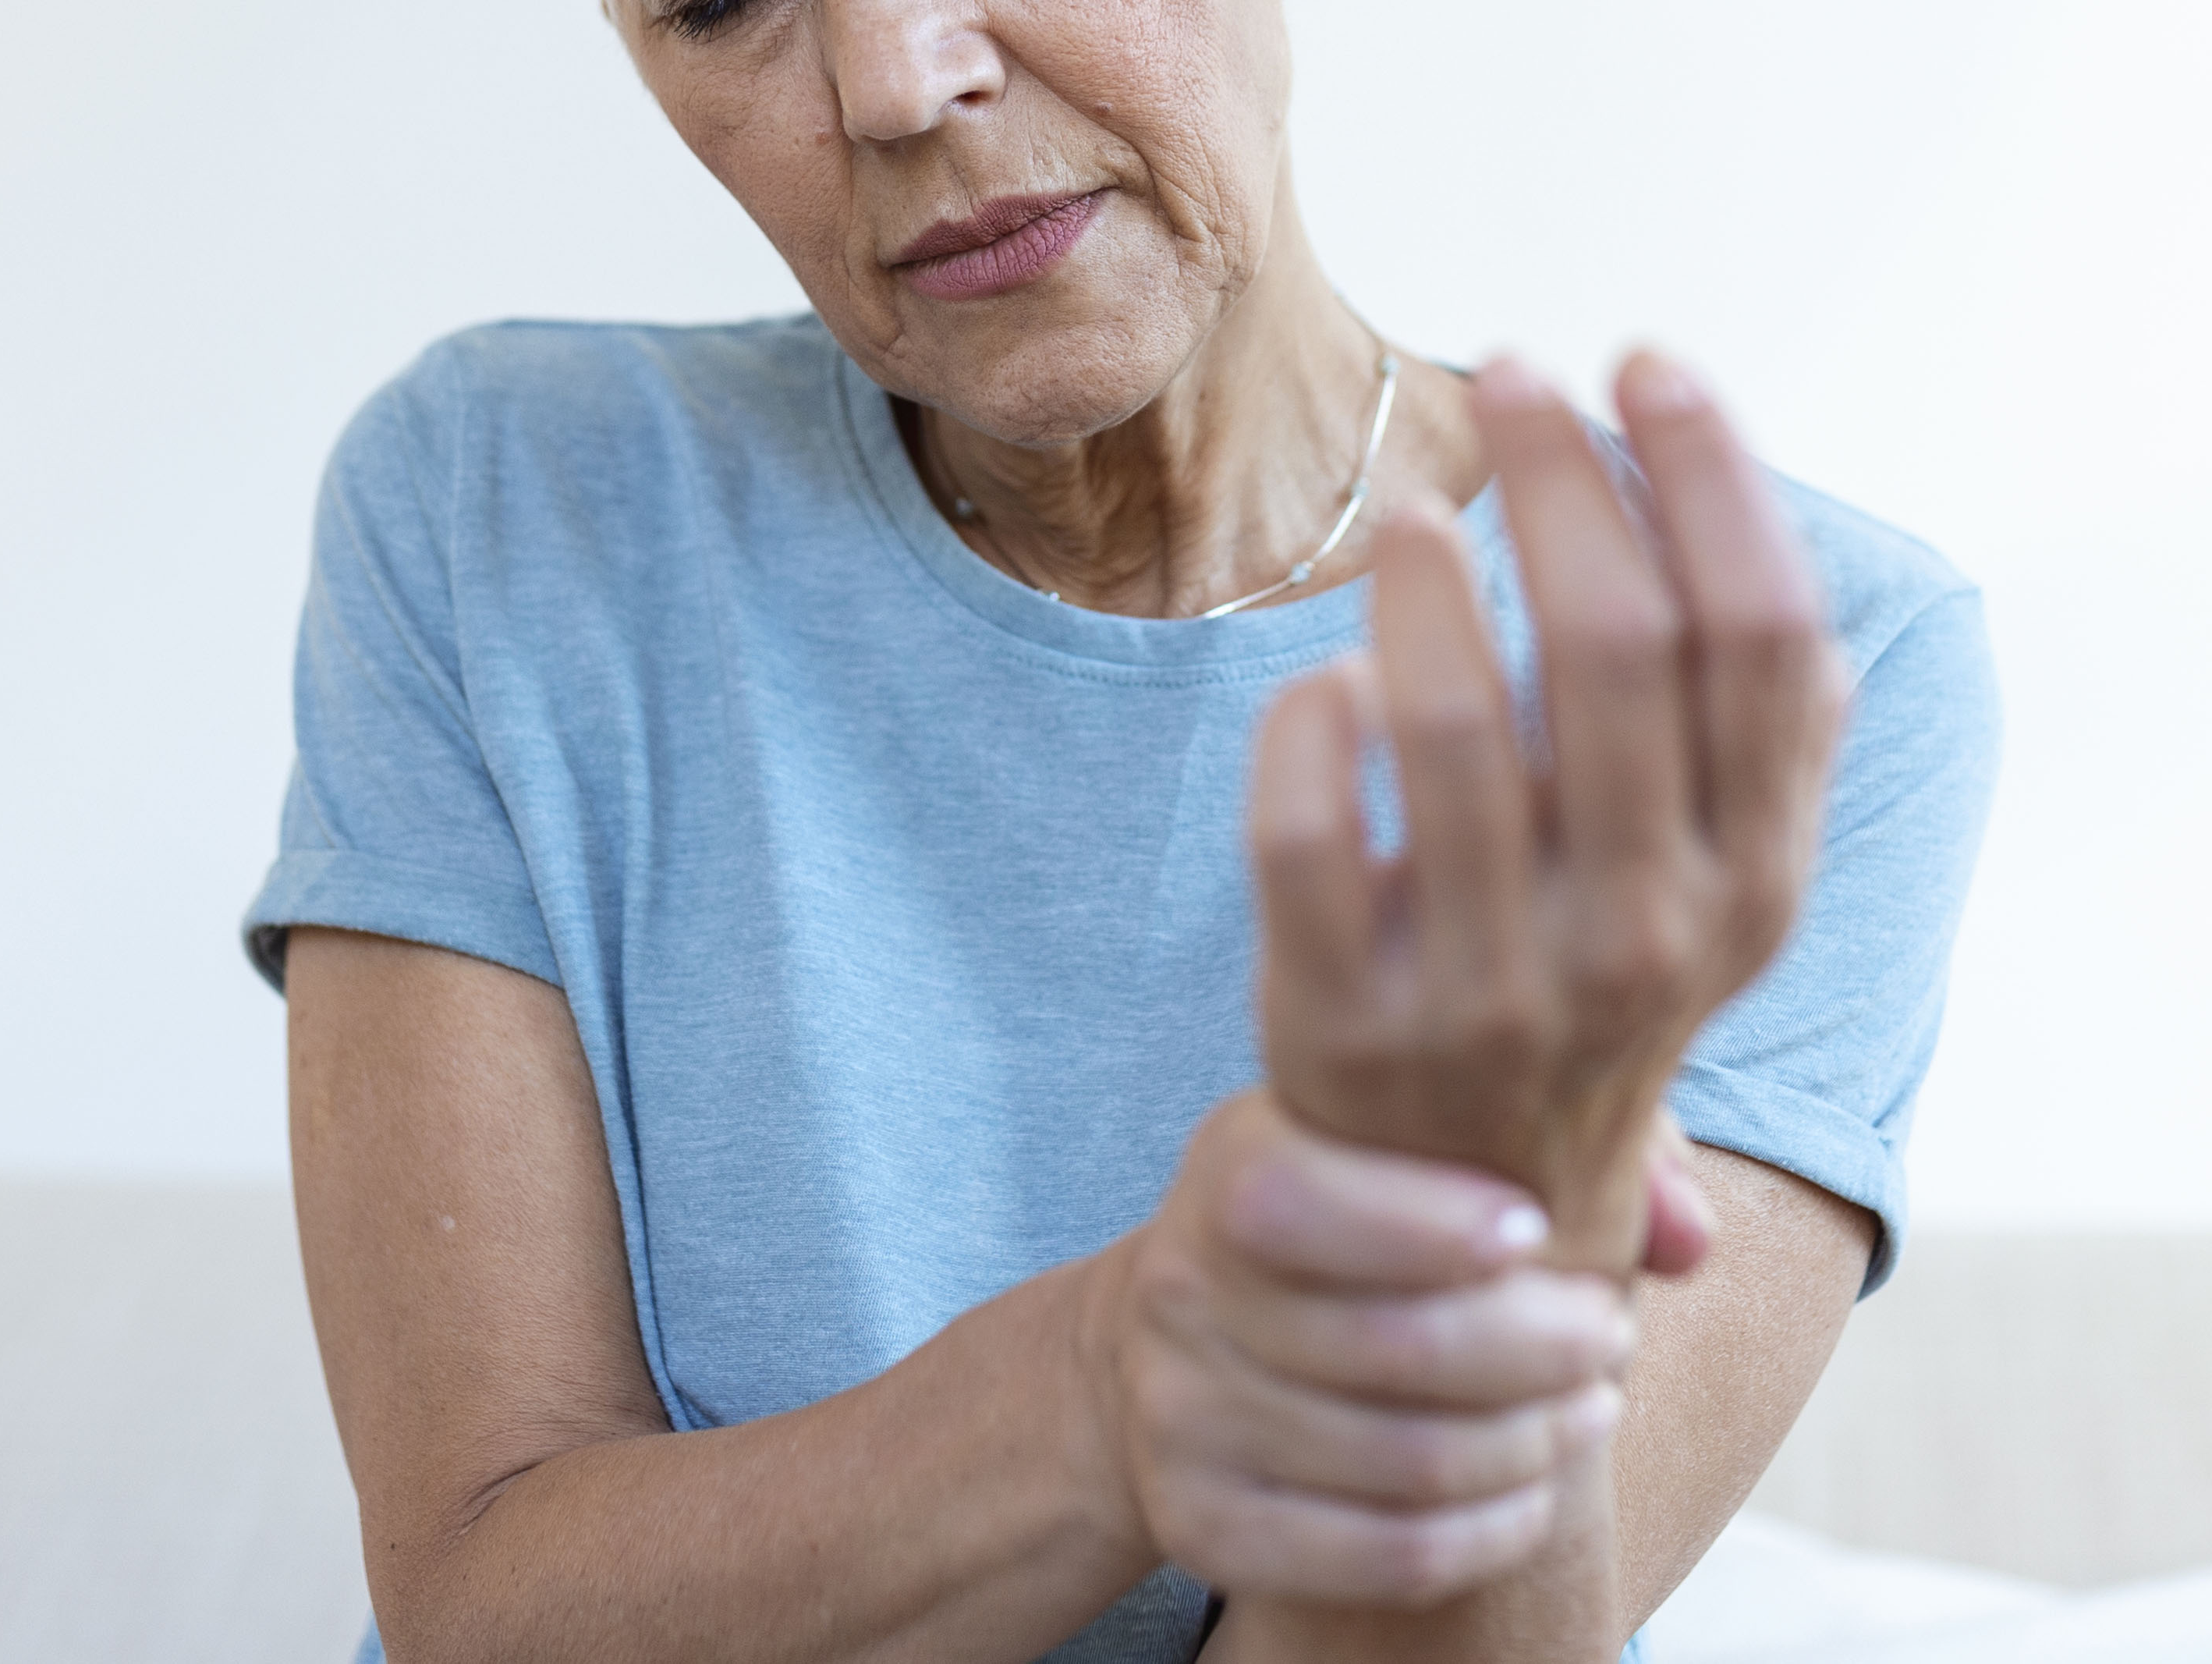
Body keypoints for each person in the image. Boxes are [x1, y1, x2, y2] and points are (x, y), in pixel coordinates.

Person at [246, 2, 1998, 1659]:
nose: (891, 78)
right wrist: (1114, 1378)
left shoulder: (1788, 673)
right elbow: (486, 1596)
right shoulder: (499, 509)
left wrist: (1482, 1296)